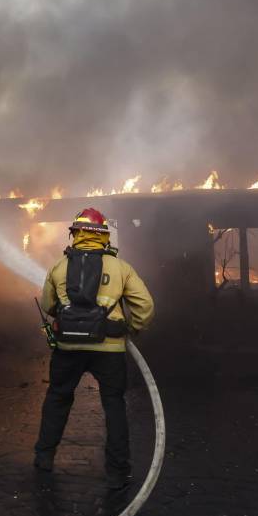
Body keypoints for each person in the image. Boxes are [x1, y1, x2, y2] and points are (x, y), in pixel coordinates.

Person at [34, 208, 154, 489]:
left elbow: (49, 305)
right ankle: (117, 470)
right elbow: (145, 307)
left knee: (58, 399)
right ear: (103, 235)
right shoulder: (120, 267)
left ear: (75, 233)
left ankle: (44, 458)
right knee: (113, 405)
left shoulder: (58, 267)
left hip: (67, 348)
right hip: (109, 349)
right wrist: (131, 329)